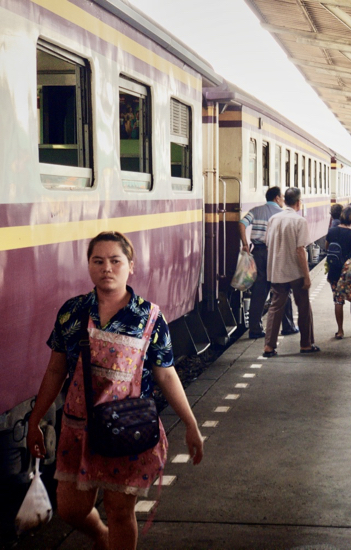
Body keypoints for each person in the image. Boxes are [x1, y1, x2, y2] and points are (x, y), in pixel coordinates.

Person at [26, 231, 204, 550]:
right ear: (89, 266)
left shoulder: (149, 317)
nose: (106, 267)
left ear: (130, 266)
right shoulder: (72, 312)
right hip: (78, 430)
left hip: (128, 431)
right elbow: (55, 370)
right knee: (71, 509)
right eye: (98, 261)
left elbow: (166, 375)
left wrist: (191, 424)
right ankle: (100, 536)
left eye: (115, 260)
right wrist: (35, 419)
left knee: (120, 513)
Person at [263, 188, 319, 357]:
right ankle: (306, 344)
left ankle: (269, 347)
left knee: (275, 308)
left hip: (277, 271)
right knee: (303, 307)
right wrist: (307, 276)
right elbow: (300, 250)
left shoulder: (273, 219)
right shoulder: (299, 221)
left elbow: (267, 243)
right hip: (295, 272)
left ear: (284, 201)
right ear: (298, 203)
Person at [239, 187, 299, 339]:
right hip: (276, 253)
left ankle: (255, 330)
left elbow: (241, 223)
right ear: (278, 198)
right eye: (282, 197)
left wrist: (245, 244)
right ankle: (288, 326)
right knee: (283, 288)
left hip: (258, 253)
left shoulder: (256, 210)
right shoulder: (281, 214)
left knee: (259, 291)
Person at [325, 205, 351, 339]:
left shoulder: (332, 231)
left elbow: (327, 247)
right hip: (348, 272)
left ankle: (340, 331)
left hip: (334, 271)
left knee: (338, 301)